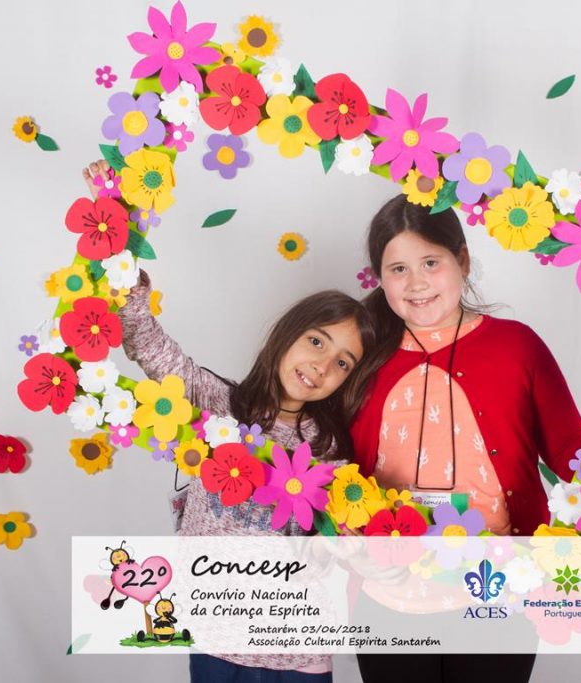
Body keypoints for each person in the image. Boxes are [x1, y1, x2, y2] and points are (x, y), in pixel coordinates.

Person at [349, 195, 581, 682]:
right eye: (398, 269)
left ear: (462, 260)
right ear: (379, 277)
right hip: (389, 593)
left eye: (431, 262)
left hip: (499, 589)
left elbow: (570, 451)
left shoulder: (517, 345)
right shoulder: (360, 353)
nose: (416, 282)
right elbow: (331, 462)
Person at [83, 162, 377, 682]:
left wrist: (343, 541)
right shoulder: (215, 403)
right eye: (316, 341)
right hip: (215, 642)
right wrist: (117, 228)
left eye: (342, 363)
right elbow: (144, 339)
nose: (321, 365)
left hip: (297, 654)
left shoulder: (330, 449)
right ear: (287, 334)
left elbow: (330, 545)